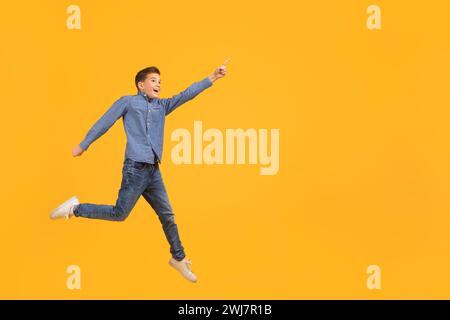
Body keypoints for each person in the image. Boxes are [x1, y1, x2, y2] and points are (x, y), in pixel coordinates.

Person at [50, 60, 229, 283]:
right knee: (119, 214)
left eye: (160, 82)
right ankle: (74, 209)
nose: (158, 85)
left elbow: (187, 94)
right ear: (140, 85)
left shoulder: (162, 106)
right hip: (135, 169)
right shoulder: (128, 102)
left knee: (168, 215)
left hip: (153, 171)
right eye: (153, 81)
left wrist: (213, 77)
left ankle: (178, 258)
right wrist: (84, 144)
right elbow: (104, 122)